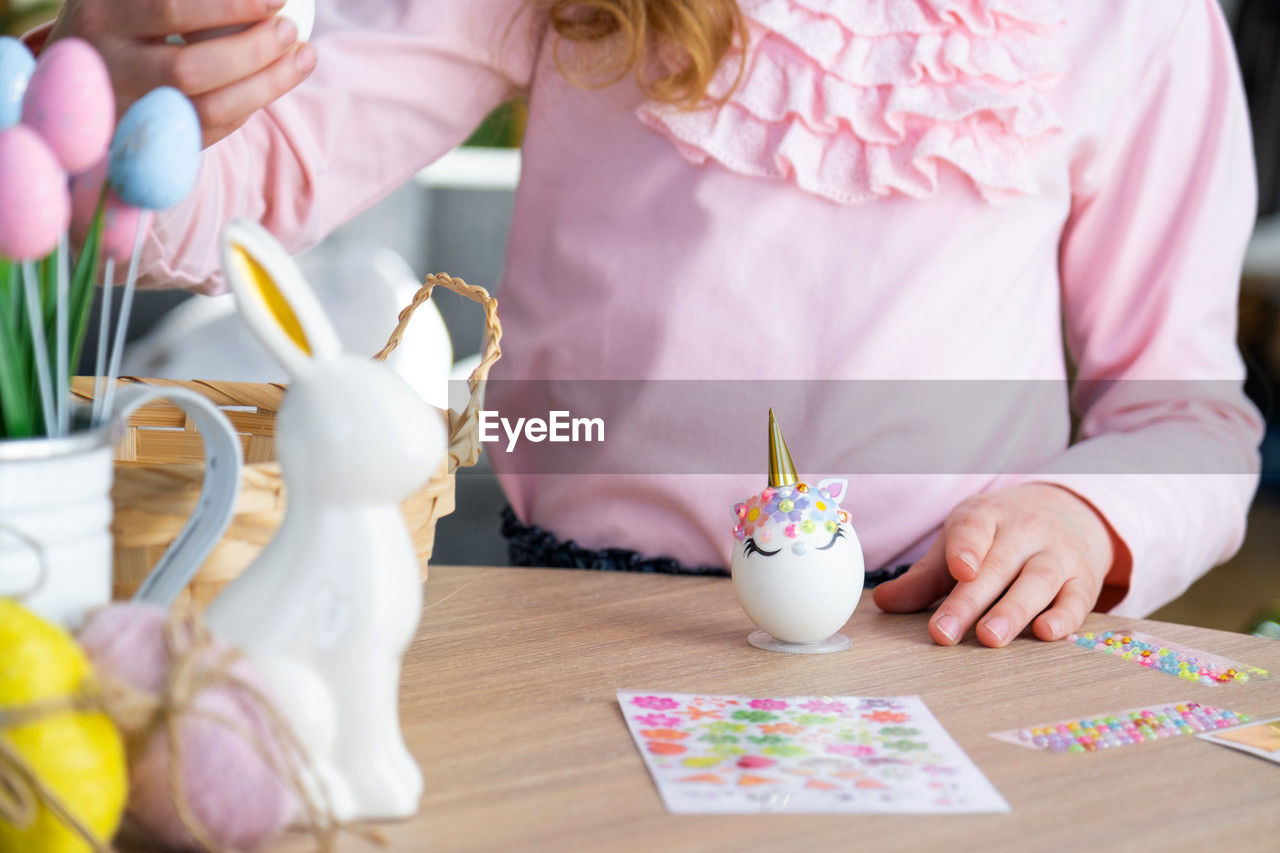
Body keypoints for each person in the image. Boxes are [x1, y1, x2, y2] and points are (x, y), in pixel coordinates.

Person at [41, 0, 1263, 648]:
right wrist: (103, 100)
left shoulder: (1136, 20)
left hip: (938, 636)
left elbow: (1184, 413)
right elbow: (252, 172)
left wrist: (1086, 515)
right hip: (571, 620)